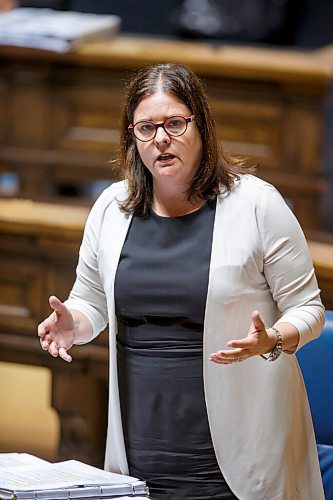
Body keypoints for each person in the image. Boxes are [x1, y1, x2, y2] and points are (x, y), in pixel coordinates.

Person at [37, 62, 325, 499]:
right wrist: (72, 323)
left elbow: (309, 309)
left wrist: (274, 340)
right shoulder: (111, 208)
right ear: (131, 136)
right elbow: (91, 302)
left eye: (174, 123)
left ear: (201, 126)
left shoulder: (257, 205)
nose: (161, 139)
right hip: (141, 449)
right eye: (146, 128)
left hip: (235, 452)